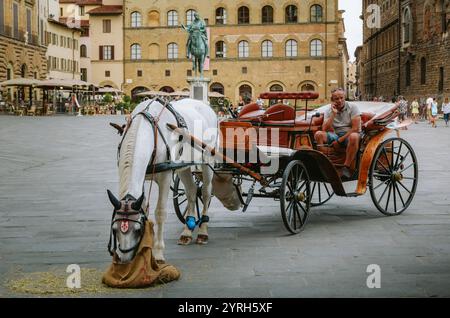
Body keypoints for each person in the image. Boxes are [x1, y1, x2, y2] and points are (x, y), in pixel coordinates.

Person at [314, 88, 361, 179]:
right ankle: (324, 162)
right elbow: (324, 128)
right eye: (336, 99)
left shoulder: (353, 107)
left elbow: (355, 128)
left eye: (341, 98)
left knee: (354, 136)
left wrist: (339, 141)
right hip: (336, 135)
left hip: (350, 134)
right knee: (318, 134)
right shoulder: (329, 110)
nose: (339, 100)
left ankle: (346, 167)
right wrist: (333, 114)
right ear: (332, 100)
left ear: (344, 97)